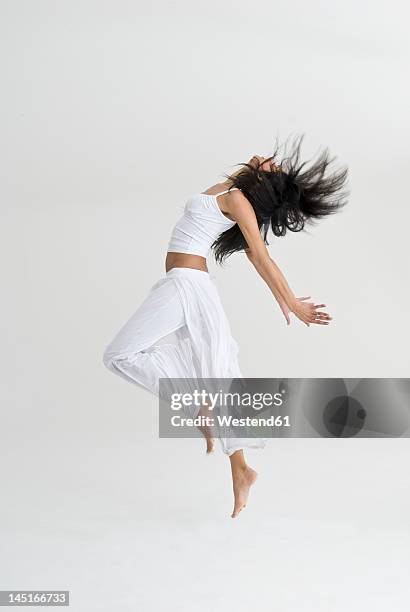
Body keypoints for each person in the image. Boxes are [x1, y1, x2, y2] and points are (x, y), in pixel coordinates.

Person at [103, 135, 349, 518]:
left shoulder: (237, 200)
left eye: (274, 166)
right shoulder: (233, 188)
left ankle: (201, 409)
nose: (269, 158)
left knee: (123, 356)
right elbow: (244, 182)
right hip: (182, 285)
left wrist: (291, 301)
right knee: (216, 371)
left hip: (187, 285)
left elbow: (259, 256)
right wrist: (253, 169)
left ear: (266, 183)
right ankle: (239, 466)